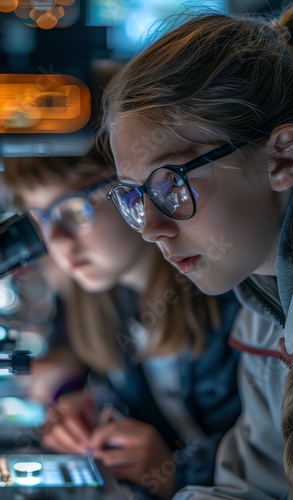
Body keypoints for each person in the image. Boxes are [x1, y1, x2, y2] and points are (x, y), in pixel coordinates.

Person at [98, 5, 293, 499]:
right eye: (134, 197)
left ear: (283, 156)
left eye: (171, 183)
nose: (151, 229)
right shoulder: (259, 312)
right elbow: (252, 487)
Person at [1, 148, 241, 499]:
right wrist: (78, 407)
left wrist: (176, 473)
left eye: (74, 211)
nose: (60, 242)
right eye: (41, 220)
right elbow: (83, 373)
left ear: (132, 187)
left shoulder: (227, 295)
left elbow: (272, 451)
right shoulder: (97, 303)